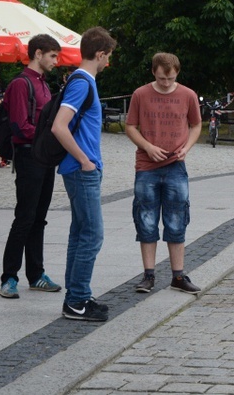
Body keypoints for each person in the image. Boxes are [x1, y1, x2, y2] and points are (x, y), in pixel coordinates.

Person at [52, 27, 116, 321]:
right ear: (100, 54)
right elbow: (59, 126)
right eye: (108, 57)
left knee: (80, 233)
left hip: (81, 168)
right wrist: (85, 161)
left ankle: (77, 296)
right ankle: (77, 301)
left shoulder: (82, 81)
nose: (108, 63)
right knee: (92, 234)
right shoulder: (82, 82)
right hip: (81, 169)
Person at [125, 53, 203, 295]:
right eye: (161, 78)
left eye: (170, 78)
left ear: (177, 73)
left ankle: (178, 276)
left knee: (177, 219)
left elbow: (196, 125)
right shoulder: (140, 94)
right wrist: (147, 146)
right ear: (153, 73)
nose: (166, 83)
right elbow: (130, 126)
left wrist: (186, 148)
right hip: (147, 167)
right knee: (146, 219)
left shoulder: (188, 95)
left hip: (175, 166)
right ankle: (148, 275)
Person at [0, 34, 63, 299]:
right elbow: (18, 125)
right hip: (28, 157)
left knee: (39, 219)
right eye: (52, 56)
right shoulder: (20, 83)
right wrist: (48, 137)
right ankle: (9, 278)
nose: (56, 62)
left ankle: (36, 274)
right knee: (24, 218)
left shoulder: (44, 84)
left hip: (44, 157)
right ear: (38, 53)